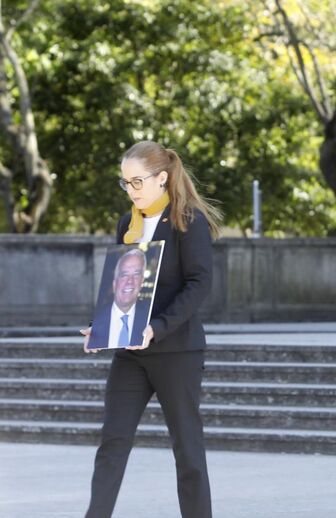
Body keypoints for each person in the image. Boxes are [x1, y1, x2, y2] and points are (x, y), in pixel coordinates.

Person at [80, 140, 222, 518]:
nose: (131, 190)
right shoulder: (127, 224)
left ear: (162, 178)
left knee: (187, 451)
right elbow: (122, 286)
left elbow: (199, 284)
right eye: (125, 182)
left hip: (177, 351)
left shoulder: (188, 220)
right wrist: (102, 327)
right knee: (112, 443)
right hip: (130, 355)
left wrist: (156, 328)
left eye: (137, 181)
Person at [87, 249, 152, 349]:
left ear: (142, 282)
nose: (130, 281)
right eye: (124, 275)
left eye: (136, 274)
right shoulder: (98, 320)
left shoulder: (151, 319)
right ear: (114, 284)